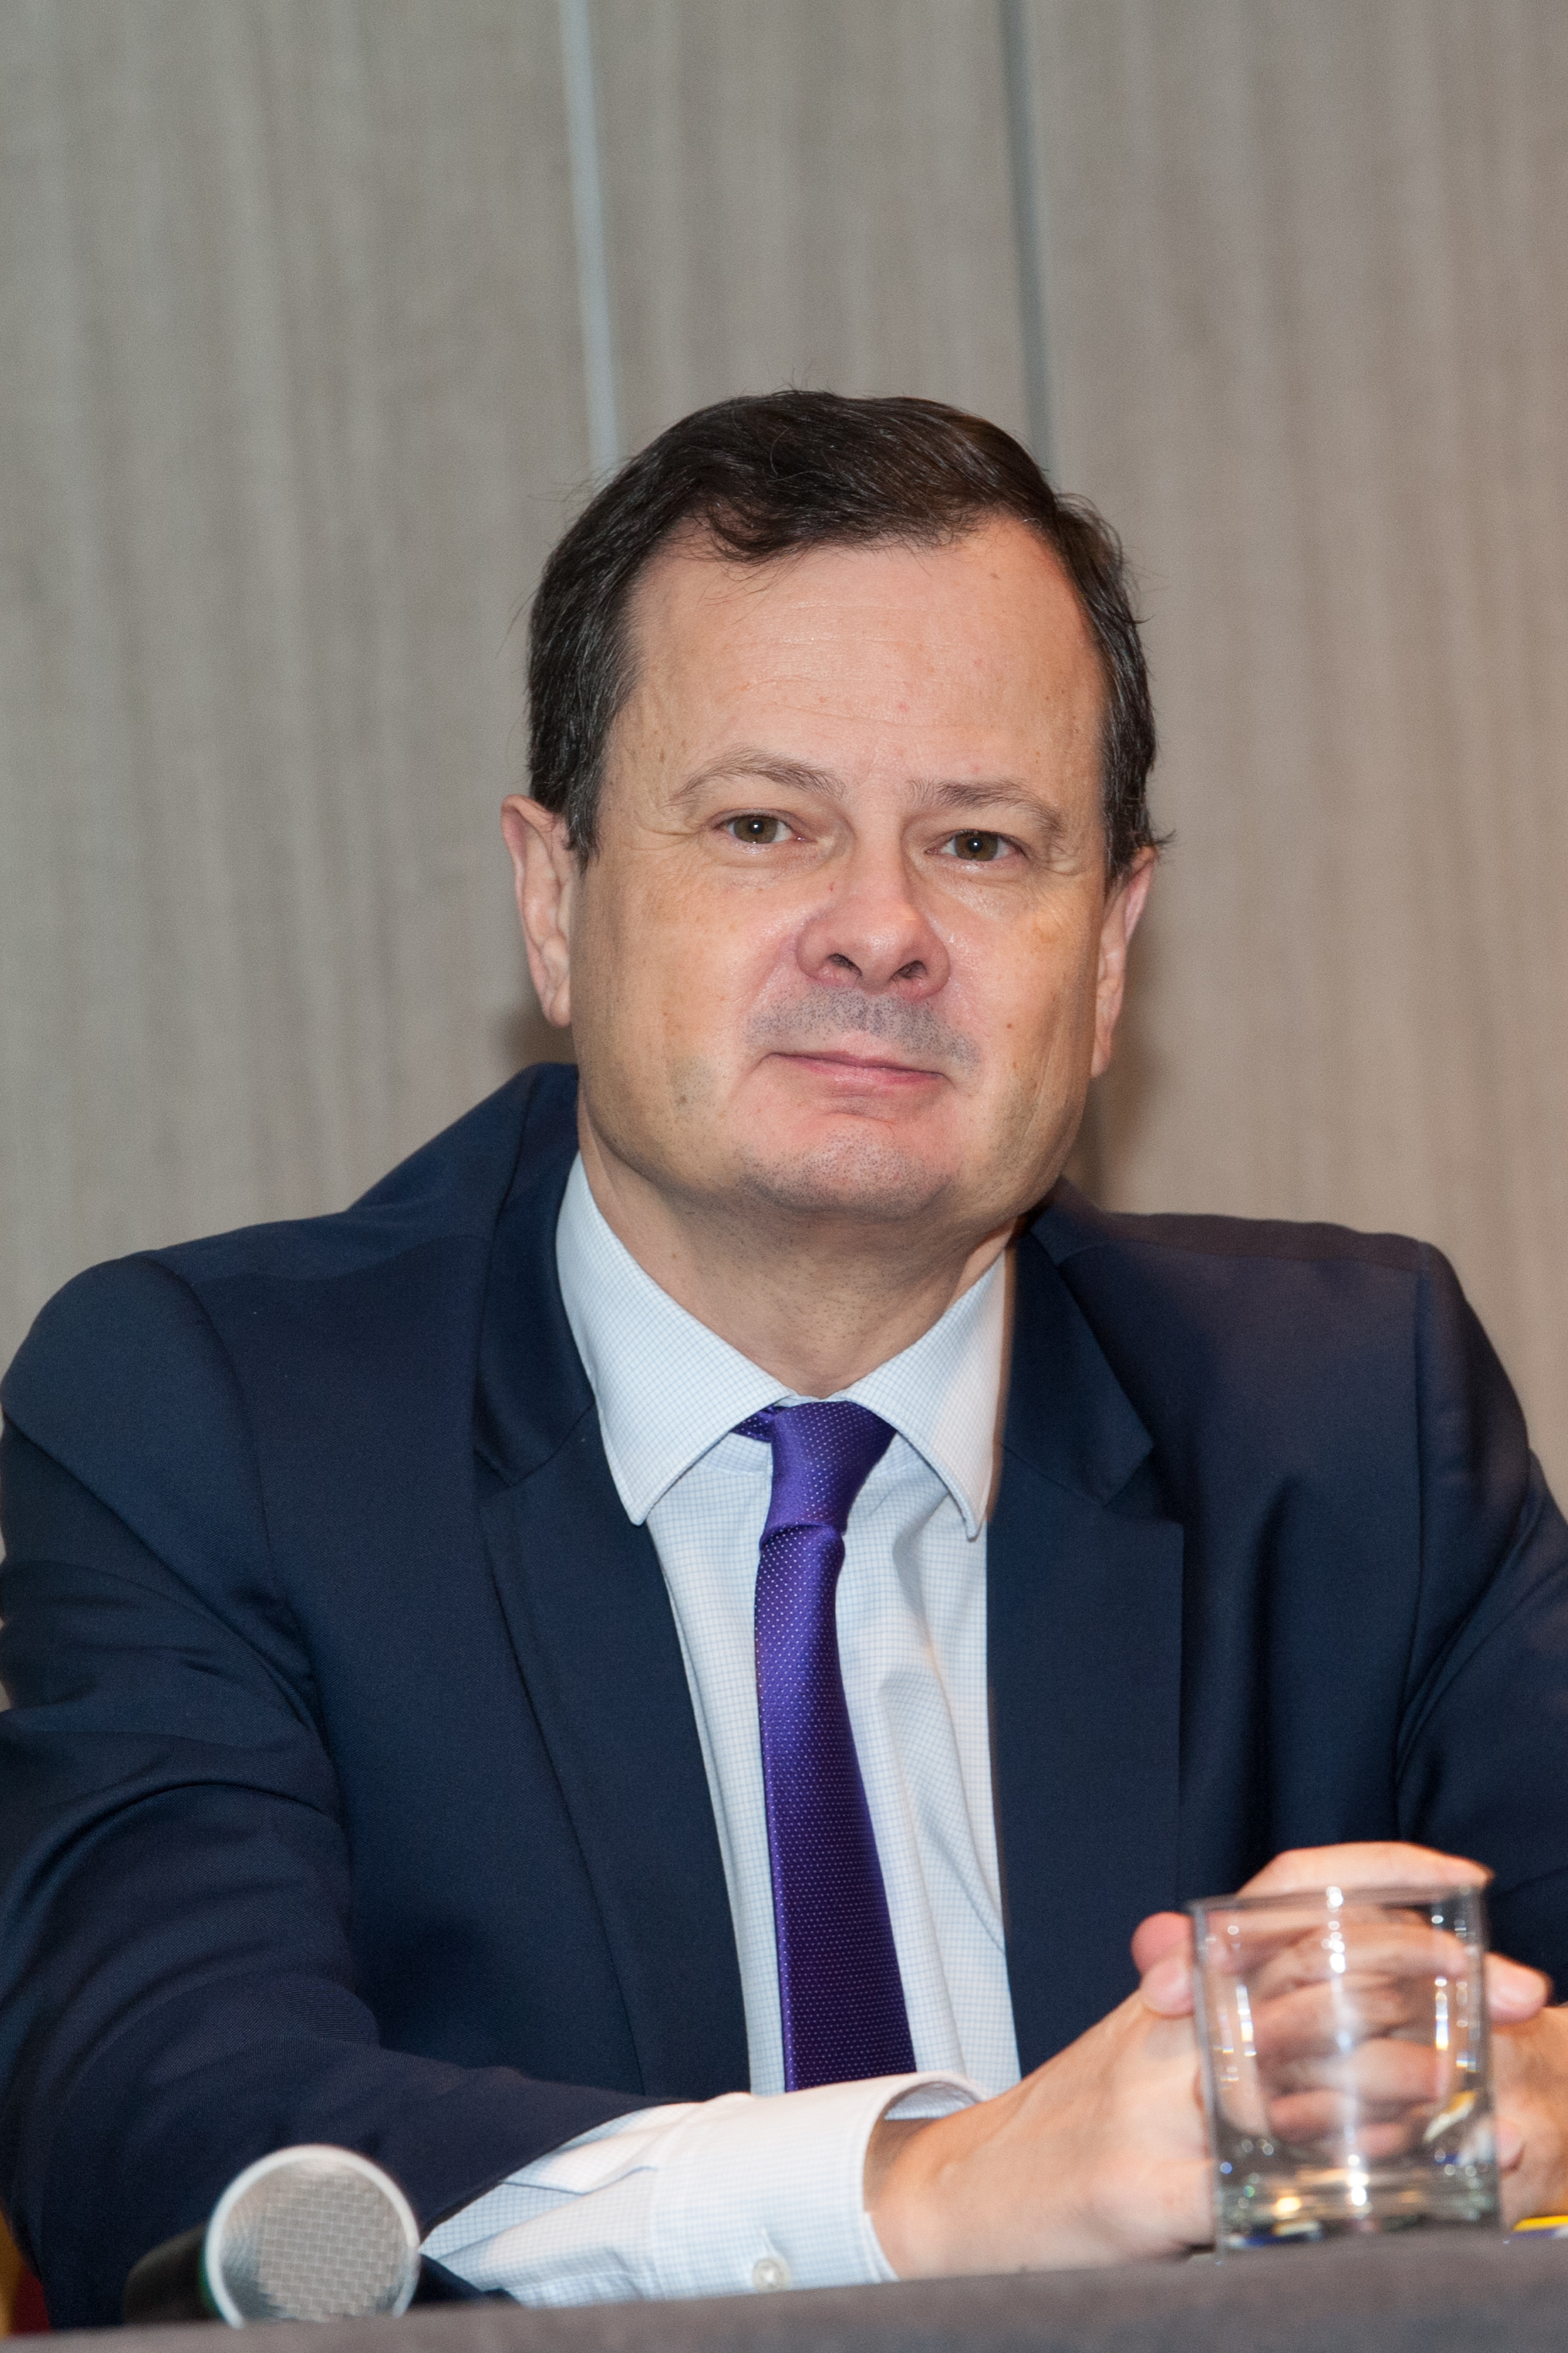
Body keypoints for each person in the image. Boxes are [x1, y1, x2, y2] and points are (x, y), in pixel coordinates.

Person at [3, 392, 1567, 2329]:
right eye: (763, 826)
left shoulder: (1347, 1416)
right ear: (554, 900)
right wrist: (937, 2189)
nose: (883, 933)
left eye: (982, 843)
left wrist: (1515, 2094)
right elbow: (165, 2145)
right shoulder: (216, 1423)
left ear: (1109, 953)